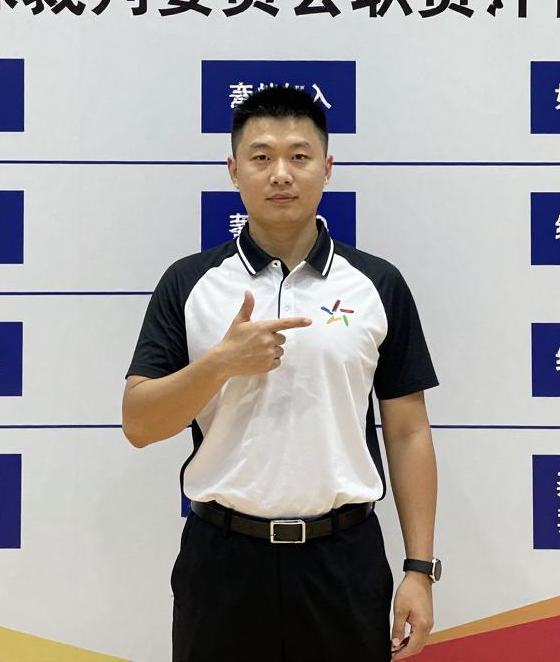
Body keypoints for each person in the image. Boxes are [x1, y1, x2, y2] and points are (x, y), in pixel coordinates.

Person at [123, 86, 440, 662]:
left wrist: (419, 569)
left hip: (343, 560)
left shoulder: (376, 284)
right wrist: (220, 363)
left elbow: (408, 431)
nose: (281, 174)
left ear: (327, 167)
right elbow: (140, 424)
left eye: (299, 156)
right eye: (261, 157)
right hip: (222, 561)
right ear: (233, 170)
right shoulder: (190, 283)